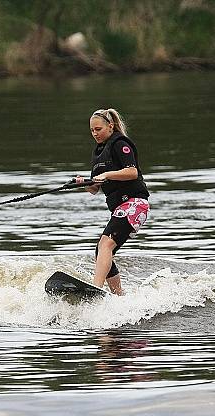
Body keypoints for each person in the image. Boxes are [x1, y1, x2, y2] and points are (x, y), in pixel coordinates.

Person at [75, 108, 150, 295]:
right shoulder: (99, 153)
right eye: (92, 130)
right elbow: (94, 189)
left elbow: (132, 172)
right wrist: (83, 182)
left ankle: (95, 289)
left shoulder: (120, 143)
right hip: (121, 207)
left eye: (98, 129)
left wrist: (108, 174)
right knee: (100, 251)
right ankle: (119, 295)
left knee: (106, 245)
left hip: (135, 204)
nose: (95, 133)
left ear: (111, 126)